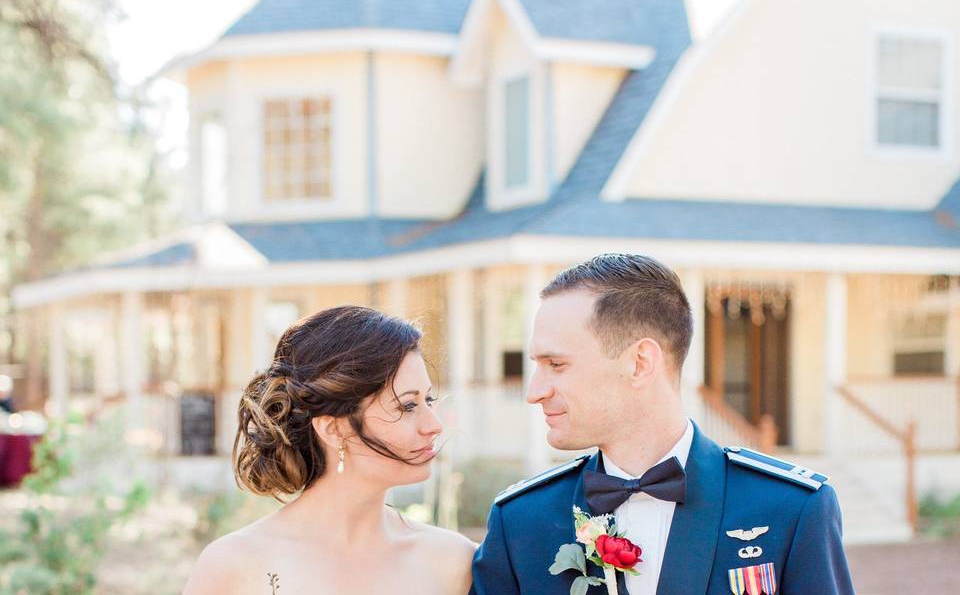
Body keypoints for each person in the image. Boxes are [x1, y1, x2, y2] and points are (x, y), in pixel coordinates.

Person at [471, 254, 855, 595]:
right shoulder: (521, 521)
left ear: (640, 363)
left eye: (556, 365)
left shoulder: (790, 508)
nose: (534, 391)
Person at [184, 306, 475, 594]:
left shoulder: (453, 561)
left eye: (429, 399)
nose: (434, 425)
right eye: (407, 405)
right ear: (334, 429)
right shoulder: (233, 565)